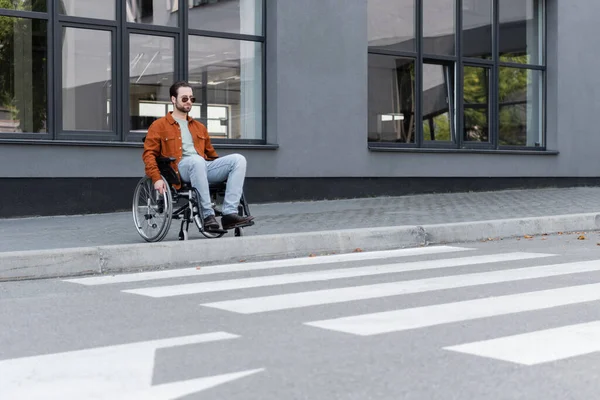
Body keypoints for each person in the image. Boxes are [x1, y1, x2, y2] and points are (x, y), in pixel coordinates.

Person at [142, 81, 254, 231]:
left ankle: (229, 215)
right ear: (173, 100)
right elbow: (149, 154)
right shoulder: (159, 125)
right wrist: (156, 178)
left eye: (191, 99)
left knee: (238, 159)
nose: (189, 102)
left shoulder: (199, 127)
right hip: (179, 169)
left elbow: (211, 155)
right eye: (184, 98)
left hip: (202, 165)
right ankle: (208, 216)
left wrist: (224, 171)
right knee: (196, 161)